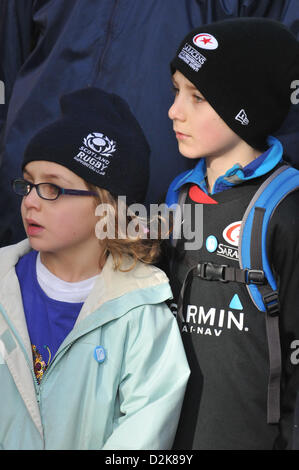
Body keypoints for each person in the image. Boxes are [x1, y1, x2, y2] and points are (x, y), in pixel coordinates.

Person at [1, 0, 299, 248]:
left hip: (174, 223)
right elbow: (9, 52)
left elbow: (280, 85)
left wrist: (249, 212)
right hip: (30, 200)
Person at [0, 87, 190, 450]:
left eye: (53, 189)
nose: (30, 201)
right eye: (28, 183)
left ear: (107, 208)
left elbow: (143, 433)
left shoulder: (141, 311)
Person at [165, 18, 299, 450]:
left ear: (246, 110)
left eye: (198, 97)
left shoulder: (286, 207)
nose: (174, 110)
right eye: (176, 90)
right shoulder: (178, 195)